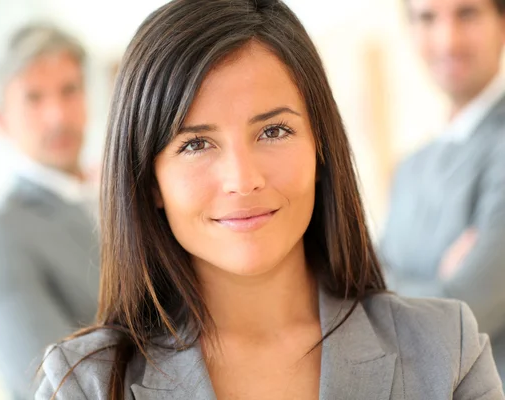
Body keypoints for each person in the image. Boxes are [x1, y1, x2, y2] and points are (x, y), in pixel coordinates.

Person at [36, 0, 504, 398]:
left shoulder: (448, 351)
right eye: (196, 143)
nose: (244, 179)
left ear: (321, 146)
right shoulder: (87, 383)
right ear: (149, 180)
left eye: (274, 131)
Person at [0, 22, 100, 399]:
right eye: (33, 98)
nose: (58, 115)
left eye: (70, 91)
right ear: (1, 121)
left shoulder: (128, 198)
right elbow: (58, 387)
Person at [380, 0, 505, 381]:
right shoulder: (410, 167)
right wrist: (435, 290)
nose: (447, 40)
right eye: (428, 18)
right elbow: (350, 284)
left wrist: (380, 285)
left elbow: (464, 313)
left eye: (466, 14)